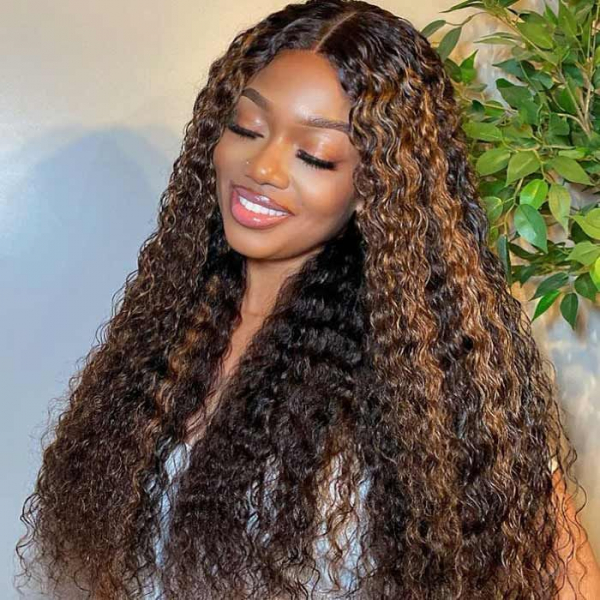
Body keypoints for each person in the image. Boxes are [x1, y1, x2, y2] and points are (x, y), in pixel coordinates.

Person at [15, 1, 600, 598]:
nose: (263, 167)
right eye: (247, 127)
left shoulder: (429, 378)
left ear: (375, 185)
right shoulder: (170, 334)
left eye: (315, 155)